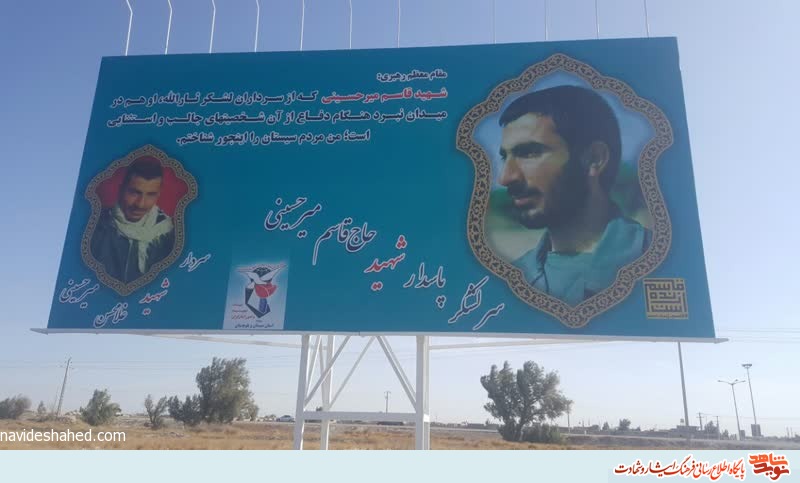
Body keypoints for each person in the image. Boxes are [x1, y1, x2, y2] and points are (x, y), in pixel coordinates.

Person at [497, 85, 650, 305]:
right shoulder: (510, 280)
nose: (505, 178)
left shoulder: (657, 260)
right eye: (505, 157)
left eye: (529, 153)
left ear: (594, 159)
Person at [90, 157, 175, 283]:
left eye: (151, 194)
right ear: (121, 189)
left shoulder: (169, 231)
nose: (140, 204)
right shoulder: (96, 226)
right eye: (134, 193)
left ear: (158, 194)